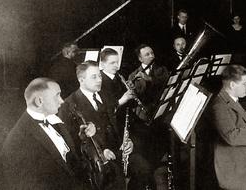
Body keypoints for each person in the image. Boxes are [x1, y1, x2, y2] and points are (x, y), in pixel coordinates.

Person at [0, 78, 95, 190]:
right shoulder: (19, 139)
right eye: (57, 96)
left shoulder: (53, 119)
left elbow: (67, 158)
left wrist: (82, 138)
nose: (62, 101)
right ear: (39, 101)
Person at [59, 61, 133, 190]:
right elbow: (71, 142)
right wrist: (99, 152)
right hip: (97, 162)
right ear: (81, 80)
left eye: (99, 75)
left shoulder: (106, 95)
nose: (99, 80)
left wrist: (127, 141)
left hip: (118, 150)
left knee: (144, 170)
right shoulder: (68, 105)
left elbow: (118, 123)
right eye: (94, 77)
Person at [99, 48, 159, 190]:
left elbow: (131, 104)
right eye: (112, 63)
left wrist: (131, 91)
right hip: (117, 124)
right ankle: (142, 178)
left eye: (117, 62)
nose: (116, 66)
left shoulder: (118, 76)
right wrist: (123, 98)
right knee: (143, 142)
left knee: (154, 133)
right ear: (103, 64)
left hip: (128, 118)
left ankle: (148, 178)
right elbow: (108, 110)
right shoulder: (102, 82)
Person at [129, 44, 170, 190]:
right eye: (147, 54)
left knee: (160, 144)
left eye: (152, 53)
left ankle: (160, 171)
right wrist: (132, 88)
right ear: (140, 58)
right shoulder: (133, 74)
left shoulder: (161, 70)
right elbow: (135, 97)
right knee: (147, 147)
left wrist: (149, 79)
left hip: (160, 113)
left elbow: (167, 84)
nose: (151, 56)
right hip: (144, 118)